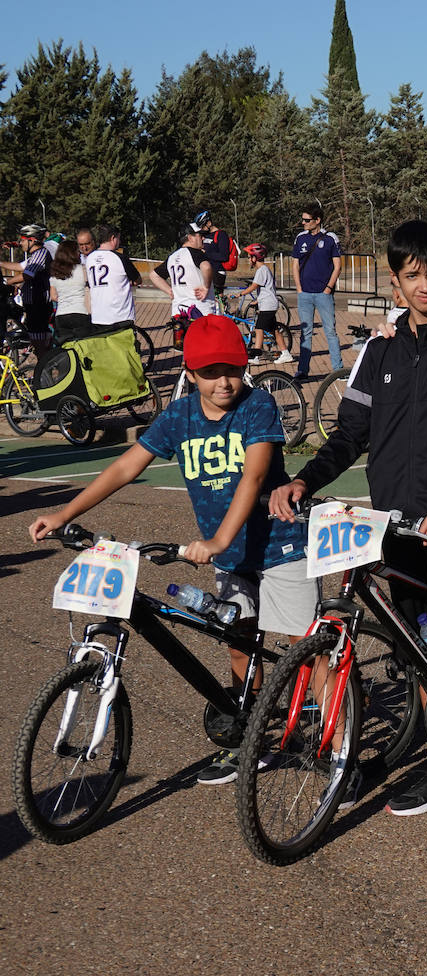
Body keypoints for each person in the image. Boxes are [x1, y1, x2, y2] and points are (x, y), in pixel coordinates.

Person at [270, 219, 427, 841]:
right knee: (422, 653)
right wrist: (306, 480)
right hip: (396, 527)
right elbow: (350, 434)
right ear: (396, 282)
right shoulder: (377, 351)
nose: (425, 285)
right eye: (412, 276)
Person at [30, 315, 316, 786]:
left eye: (231, 368)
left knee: (306, 651)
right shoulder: (180, 416)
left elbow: (255, 475)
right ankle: (253, 740)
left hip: (280, 546)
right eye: (209, 372)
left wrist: (219, 538)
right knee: (241, 647)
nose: (223, 381)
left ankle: (332, 744)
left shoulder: (257, 406)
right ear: (190, 372)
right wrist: (65, 513)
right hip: (229, 557)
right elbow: (126, 467)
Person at [291, 202, 343, 378]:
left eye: (307, 220)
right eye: (303, 220)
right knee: (306, 332)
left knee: (330, 331)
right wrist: (298, 288)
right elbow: (295, 264)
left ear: (317, 220)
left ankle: (338, 369)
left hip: (323, 294)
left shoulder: (330, 238)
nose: (303, 223)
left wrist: (328, 288)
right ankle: (303, 370)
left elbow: (337, 266)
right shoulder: (300, 238)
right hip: (304, 293)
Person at [2, 224, 53, 351]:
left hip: (39, 303)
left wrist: (7, 283)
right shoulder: (34, 256)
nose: (21, 243)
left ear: (32, 240)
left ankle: (44, 367)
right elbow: (20, 266)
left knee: (39, 342)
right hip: (31, 303)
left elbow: (27, 275)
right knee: (35, 340)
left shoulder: (41, 253)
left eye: (23, 240)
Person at [150, 224, 217, 320]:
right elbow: (206, 267)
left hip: (179, 313)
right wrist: (206, 288)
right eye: (200, 235)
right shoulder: (197, 253)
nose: (203, 238)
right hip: (200, 312)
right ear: (190, 238)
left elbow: (154, 275)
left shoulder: (173, 257)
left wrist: (170, 291)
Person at [85, 224, 143, 334]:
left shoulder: (90, 258)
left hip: (98, 315)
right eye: (118, 238)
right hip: (120, 316)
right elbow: (138, 279)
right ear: (113, 238)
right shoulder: (119, 258)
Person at [240, 243, 292, 364]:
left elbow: (254, 286)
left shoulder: (261, 270)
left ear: (255, 257)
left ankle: (256, 356)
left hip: (268, 306)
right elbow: (267, 290)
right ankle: (285, 353)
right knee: (274, 330)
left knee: (259, 329)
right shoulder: (264, 270)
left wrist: (240, 294)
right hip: (268, 304)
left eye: (249, 257)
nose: (248, 260)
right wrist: (258, 300)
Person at [48, 240, 90, 342]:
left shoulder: (55, 273)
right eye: (78, 251)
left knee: (67, 350)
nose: (80, 254)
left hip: (61, 315)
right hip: (81, 313)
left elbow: (53, 296)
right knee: (83, 349)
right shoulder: (84, 270)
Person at [195, 210, 232, 294]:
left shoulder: (221, 235)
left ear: (209, 223)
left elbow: (224, 256)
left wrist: (206, 253)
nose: (201, 229)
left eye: (202, 226)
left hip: (217, 272)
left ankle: (223, 306)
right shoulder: (204, 235)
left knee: (216, 301)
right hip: (205, 271)